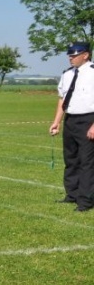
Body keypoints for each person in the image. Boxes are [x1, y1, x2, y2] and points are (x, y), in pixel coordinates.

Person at [49, 42, 94, 212]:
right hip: (71, 120)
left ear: (86, 55)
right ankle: (72, 194)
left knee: (87, 162)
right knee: (71, 159)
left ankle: (85, 201)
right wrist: (57, 122)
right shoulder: (67, 74)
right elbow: (62, 99)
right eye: (70, 55)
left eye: (74, 55)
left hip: (89, 119)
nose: (71, 58)